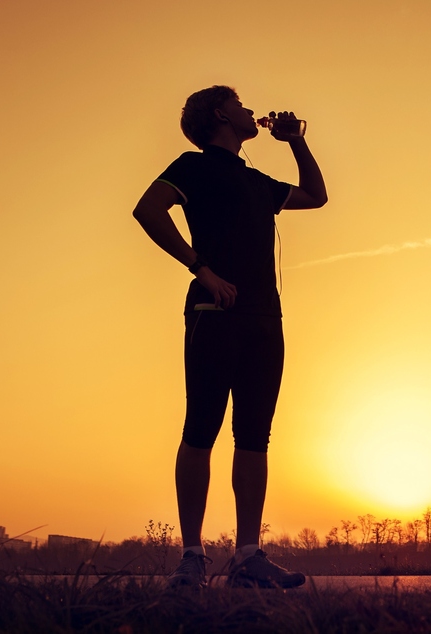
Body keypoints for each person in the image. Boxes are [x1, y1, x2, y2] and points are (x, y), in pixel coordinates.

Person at [132, 85, 327, 588]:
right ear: (220, 114)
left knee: (254, 438)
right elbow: (148, 210)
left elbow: (315, 196)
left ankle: (247, 557)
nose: (249, 110)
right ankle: (192, 557)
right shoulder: (192, 167)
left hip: (265, 319)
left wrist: (295, 141)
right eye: (240, 105)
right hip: (212, 314)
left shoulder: (257, 181)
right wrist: (201, 269)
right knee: (200, 429)